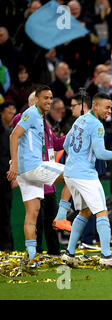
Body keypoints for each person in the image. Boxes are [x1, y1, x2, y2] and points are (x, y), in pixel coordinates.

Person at [60, 92, 112, 268]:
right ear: (95, 106)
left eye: (111, 107)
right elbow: (101, 153)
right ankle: (107, 255)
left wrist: (77, 158)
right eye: (107, 107)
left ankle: (69, 253)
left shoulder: (80, 119)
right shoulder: (97, 125)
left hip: (70, 172)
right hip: (85, 174)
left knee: (85, 212)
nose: (109, 111)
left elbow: (65, 144)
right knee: (102, 211)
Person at [7, 85, 68, 263]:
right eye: (46, 98)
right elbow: (13, 135)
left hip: (26, 173)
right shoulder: (30, 113)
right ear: (36, 100)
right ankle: (62, 216)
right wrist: (14, 165)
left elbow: (53, 143)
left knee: (32, 214)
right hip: (33, 168)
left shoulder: (41, 120)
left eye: (51, 98)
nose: (49, 101)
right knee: (74, 173)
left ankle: (32, 256)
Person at [0, 101, 14, 251]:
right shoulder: (7, 134)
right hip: (4, 180)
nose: (11, 115)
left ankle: (6, 249)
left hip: (4, 180)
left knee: (4, 217)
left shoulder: (8, 134)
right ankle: (6, 248)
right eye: (9, 112)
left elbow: (11, 157)